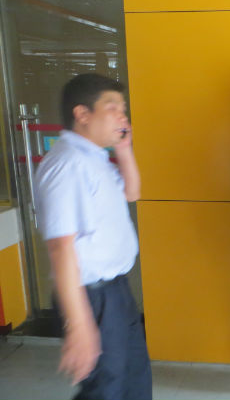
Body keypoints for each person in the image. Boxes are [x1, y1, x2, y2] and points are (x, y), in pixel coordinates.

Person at [34, 73, 152, 400]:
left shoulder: (94, 158)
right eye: (112, 107)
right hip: (92, 297)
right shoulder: (67, 165)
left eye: (123, 109)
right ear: (82, 114)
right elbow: (61, 249)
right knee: (106, 389)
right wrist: (80, 326)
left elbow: (132, 192)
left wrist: (124, 149)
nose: (122, 116)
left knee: (134, 380)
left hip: (115, 291)